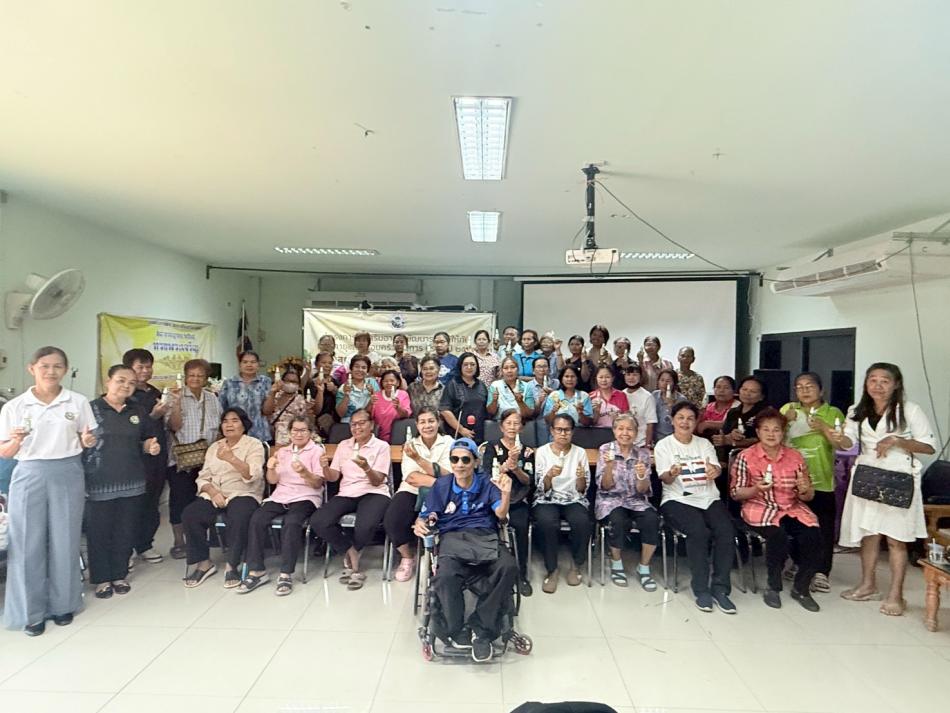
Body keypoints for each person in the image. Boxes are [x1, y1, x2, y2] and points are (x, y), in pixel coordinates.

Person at [0, 346, 97, 635]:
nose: (51, 371)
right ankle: (31, 612)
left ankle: (63, 604)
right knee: (26, 542)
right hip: (29, 473)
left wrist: (88, 442)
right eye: (44, 366)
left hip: (68, 472)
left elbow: (86, 439)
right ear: (32, 368)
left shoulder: (77, 402)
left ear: (65, 370)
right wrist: (16, 441)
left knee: (65, 539)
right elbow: (5, 452)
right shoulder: (15, 406)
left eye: (57, 366)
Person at [834, 363, 936, 617]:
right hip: (867, 475)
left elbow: (929, 446)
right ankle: (868, 585)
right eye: (872, 380)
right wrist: (833, 436)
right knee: (868, 534)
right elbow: (847, 442)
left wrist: (897, 441)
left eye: (884, 381)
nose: (877, 386)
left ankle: (896, 594)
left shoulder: (910, 410)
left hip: (898, 477)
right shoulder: (856, 410)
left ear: (896, 384)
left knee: (895, 538)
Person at [413, 437, 516, 662]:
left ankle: (482, 627)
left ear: (476, 462)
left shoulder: (487, 483)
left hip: (484, 535)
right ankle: (455, 628)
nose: (459, 464)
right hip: (452, 537)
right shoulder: (442, 485)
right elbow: (426, 515)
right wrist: (420, 523)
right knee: (444, 576)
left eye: (465, 459)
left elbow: (500, 515)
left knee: (508, 567)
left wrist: (506, 494)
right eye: (455, 459)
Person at [731, 407, 822, 612]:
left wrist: (805, 490)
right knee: (777, 536)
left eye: (776, 430)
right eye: (766, 429)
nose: (771, 434)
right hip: (760, 508)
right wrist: (756, 489)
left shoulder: (795, 457)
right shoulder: (747, 456)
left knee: (813, 535)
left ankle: (801, 587)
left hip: (791, 506)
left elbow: (807, 495)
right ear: (758, 432)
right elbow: (736, 493)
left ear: (783, 432)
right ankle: (773, 586)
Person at [84, 365, 161, 599]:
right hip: (99, 480)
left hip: (132, 480)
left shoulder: (137, 411)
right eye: (120, 380)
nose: (126, 386)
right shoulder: (91, 409)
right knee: (99, 532)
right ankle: (101, 579)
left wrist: (150, 447)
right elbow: (77, 440)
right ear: (108, 381)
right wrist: (83, 442)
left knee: (126, 530)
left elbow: (145, 439)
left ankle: (119, 575)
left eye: (131, 383)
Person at [655, 402, 736, 614]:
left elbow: (716, 468)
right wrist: (672, 473)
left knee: (726, 532)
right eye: (680, 418)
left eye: (690, 418)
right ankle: (701, 589)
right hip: (677, 499)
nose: (685, 422)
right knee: (698, 532)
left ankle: (720, 588)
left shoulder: (704, 444)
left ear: (696, 421)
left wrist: (714, 472)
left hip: (708, 498)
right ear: (672, 420)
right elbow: (665, 479)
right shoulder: (663, 445)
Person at [238, 416, 325, 595]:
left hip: (306, 496)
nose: (298, 434)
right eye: (295, 430)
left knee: (291, 522)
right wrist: (270, 468)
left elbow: (317, 484)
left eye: (303, 430)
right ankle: (257, 571)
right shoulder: (283, 452)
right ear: (290, 433)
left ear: (310, 433)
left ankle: (286, 573)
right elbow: (272, 481)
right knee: (257, 519)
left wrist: (305, 472)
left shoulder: (316, 451)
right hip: (281, 496)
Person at [182, 408, 266, 588]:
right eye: (225, 421)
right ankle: (204, 563)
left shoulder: (254, 445)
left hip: (243, 492)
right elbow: (203, 477)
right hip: (215, 493)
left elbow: (253, 475)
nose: (229, 425)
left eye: (235, 420)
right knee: (190, 515)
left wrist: (231, 458)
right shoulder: (215, 447)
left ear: (244, 425)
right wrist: (213, 493)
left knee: (239, 516)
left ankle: (232, 565)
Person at [310, 409, 391, 590]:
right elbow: (333, 477)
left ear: (371, 425)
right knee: (319, 521)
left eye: (361, 423)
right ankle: (351, 551)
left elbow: (377, 481)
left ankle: (354, 562)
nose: (357, 427)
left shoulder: (381, 446)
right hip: (347, 492)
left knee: (365, 525)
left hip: (374, 492)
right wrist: (324, 468)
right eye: (353, 424)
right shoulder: (343, 445)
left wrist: (366, 467)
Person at [780, 372, 846, 593]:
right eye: (799, 387)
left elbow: (842, 445)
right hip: (791, 480)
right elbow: (772, 436)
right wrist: (784, 421)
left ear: (821, 390)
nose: (804, 390)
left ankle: (821, 571)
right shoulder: (788, 409)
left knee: (823, 528)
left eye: (809, 386)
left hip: (821, 479)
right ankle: (798, 563)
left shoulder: (833, 412)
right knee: (794, 525)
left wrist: (824, 428)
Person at [384, 408, 452, 582]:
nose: (427, 426)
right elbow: (411, 477)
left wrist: (419, 461)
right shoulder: (410, 444)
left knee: (443, 521)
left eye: (431, 421)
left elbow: (451, 474)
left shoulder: (449, 442)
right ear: (417, 425)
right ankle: (407, 557)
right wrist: (438, 477)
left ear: (438, 422)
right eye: (422, 422)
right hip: (411, 490)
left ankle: (440, 559)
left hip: (441, 493)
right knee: (392, 520)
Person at [166, 358, 223, 559]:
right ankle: (179, 542)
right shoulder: (175, 395)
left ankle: (199, 539)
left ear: (206, 378)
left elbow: (219, 426)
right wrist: (176, 404)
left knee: (203, 500)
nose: (196, 379)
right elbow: (174, 426)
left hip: (206, 458)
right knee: (180, 500)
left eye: (200, 375)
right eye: (191, 375)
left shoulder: (212, 398)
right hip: (181, 459)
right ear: (185, 377)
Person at [595, 414, 659, 590]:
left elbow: (643, 490)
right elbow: (605, 486)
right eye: (621, 428)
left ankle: (644, 566)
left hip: (636, 500)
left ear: (636, 432)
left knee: (652, 520)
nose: (625, 433)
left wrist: (641, 476)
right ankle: (616, 563)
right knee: (618, 520)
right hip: (611, 499)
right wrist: (609, 467)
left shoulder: (643, 454)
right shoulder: (605, 450)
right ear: (614, 431)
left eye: (630, 429)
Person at [533, 414, 593, 593]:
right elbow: (541, 488)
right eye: (559, 429)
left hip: (573, 497)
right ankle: (552, 569)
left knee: (582, 521)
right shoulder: (542, 452)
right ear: (551, 431)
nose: (563, 434)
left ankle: (576, 565)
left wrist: (581, 478)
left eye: (567, 430)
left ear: (572, 432)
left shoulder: (580, 453)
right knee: (547, 522)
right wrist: (549, 476)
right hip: (548, 498)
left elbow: (582, 489)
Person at [122, 348, 169, 565]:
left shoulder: (155, 392)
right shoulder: (125, 396)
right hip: (133, 458)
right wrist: (153, 415)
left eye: (148, 366)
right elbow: (129, 428)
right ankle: (126, 549)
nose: (145, 371)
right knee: (133, 504)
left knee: (152, 502)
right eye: (140, 367)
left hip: (157, 457)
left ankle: (145, 545)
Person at [482, 409, 535, 595]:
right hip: (494, 498)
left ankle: (521, 574)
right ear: (501, 426)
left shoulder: (527, 451)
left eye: (516, 423)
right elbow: (486, 477)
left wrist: (516, 469)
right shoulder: (491, 447)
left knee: (521, 526)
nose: (512, 427)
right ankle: (489, 573)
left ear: (521, 427)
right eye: (509, 423)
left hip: (517, 499)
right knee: (486, 526)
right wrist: (505, 466)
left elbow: (529, 481)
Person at [219, 351, 273, 442]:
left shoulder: (265, 381)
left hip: (259, 432)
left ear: (258, 365)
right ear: (239, 365)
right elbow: (221, 408)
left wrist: (273, 393)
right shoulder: (229, 383)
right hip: (235, 432)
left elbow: (267, 411)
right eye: (245, 362)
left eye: (253, 362)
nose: (249, 365)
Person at [716, 376, 768, 463]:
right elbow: (724, 433)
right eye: (744, 389)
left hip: (756, 459)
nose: (747, 393)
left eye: (753, 391)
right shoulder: (733, 412)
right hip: (730, 458)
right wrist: (728, 436)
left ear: (761, 396)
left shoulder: (766, 413)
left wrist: (735, 442)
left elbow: (763, 439)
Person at [439, 352, 489, 442]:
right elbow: (445, 410)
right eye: (465, 364)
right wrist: (461, 429)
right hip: (458, 434)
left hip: (479, 434)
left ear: (477, 367)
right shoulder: (452, 384)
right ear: (460, 367)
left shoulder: (481, 385)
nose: (469, 367)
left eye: (472, 364)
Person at [542, 365, 593, 441]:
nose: (569, 379)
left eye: (573, 376)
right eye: (566, 376)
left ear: (577, 378)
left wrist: (580, 413)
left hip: (580, 437)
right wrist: (553, 412)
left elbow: (588, 423)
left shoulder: (584, 396)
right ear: (561, 379)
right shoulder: (554, 395)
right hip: (557, 438)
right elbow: (548, 421)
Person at [262, 367, 310, 446]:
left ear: (298, 385)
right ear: (282, 381)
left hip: (290, 435)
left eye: (294, 382)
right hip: (271, 432)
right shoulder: (275, 395)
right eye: (288, 381)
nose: (290, 384)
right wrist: (273, 393)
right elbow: (266, 411)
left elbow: (303, 420)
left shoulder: (300, 400)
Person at [369, 369, 411, 442]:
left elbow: (406, 415)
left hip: (399, 436)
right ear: (382, 383)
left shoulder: (403, 394)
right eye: (385, 381)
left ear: (398, 383)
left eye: (392, 380)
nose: (389, 383)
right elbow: (369, 416)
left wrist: (398, 408)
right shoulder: (376, 396)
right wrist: (370, 403)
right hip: (379, 437)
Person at [335, 354, 380, 423]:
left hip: (368, 422)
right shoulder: (344, 387)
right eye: (356, 367)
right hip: (348, 423)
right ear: (351, 369)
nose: (360, 370)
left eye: (364, 367)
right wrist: (346, 395)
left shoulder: (372, 382)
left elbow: (378, 406)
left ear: (367, 371)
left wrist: (372, 393)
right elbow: (341, 414)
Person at [652, 369, 688, 443]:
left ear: (674, 383)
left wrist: (671, 406)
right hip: (655, 438)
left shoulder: (681, 399)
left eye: (668, 381)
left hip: (673, 438)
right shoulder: (654, 395)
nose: (664, 383)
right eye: (662, 380)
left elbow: (682, 422)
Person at [310, 351, 339, 440]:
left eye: (330, 363)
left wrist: (335, 390)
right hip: (317, 423)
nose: (327, 365)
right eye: (324, 362)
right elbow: (313, 408)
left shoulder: (335, 382)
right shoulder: (312, 383)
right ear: (316, 365)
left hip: (335, 423)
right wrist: (320, 391)